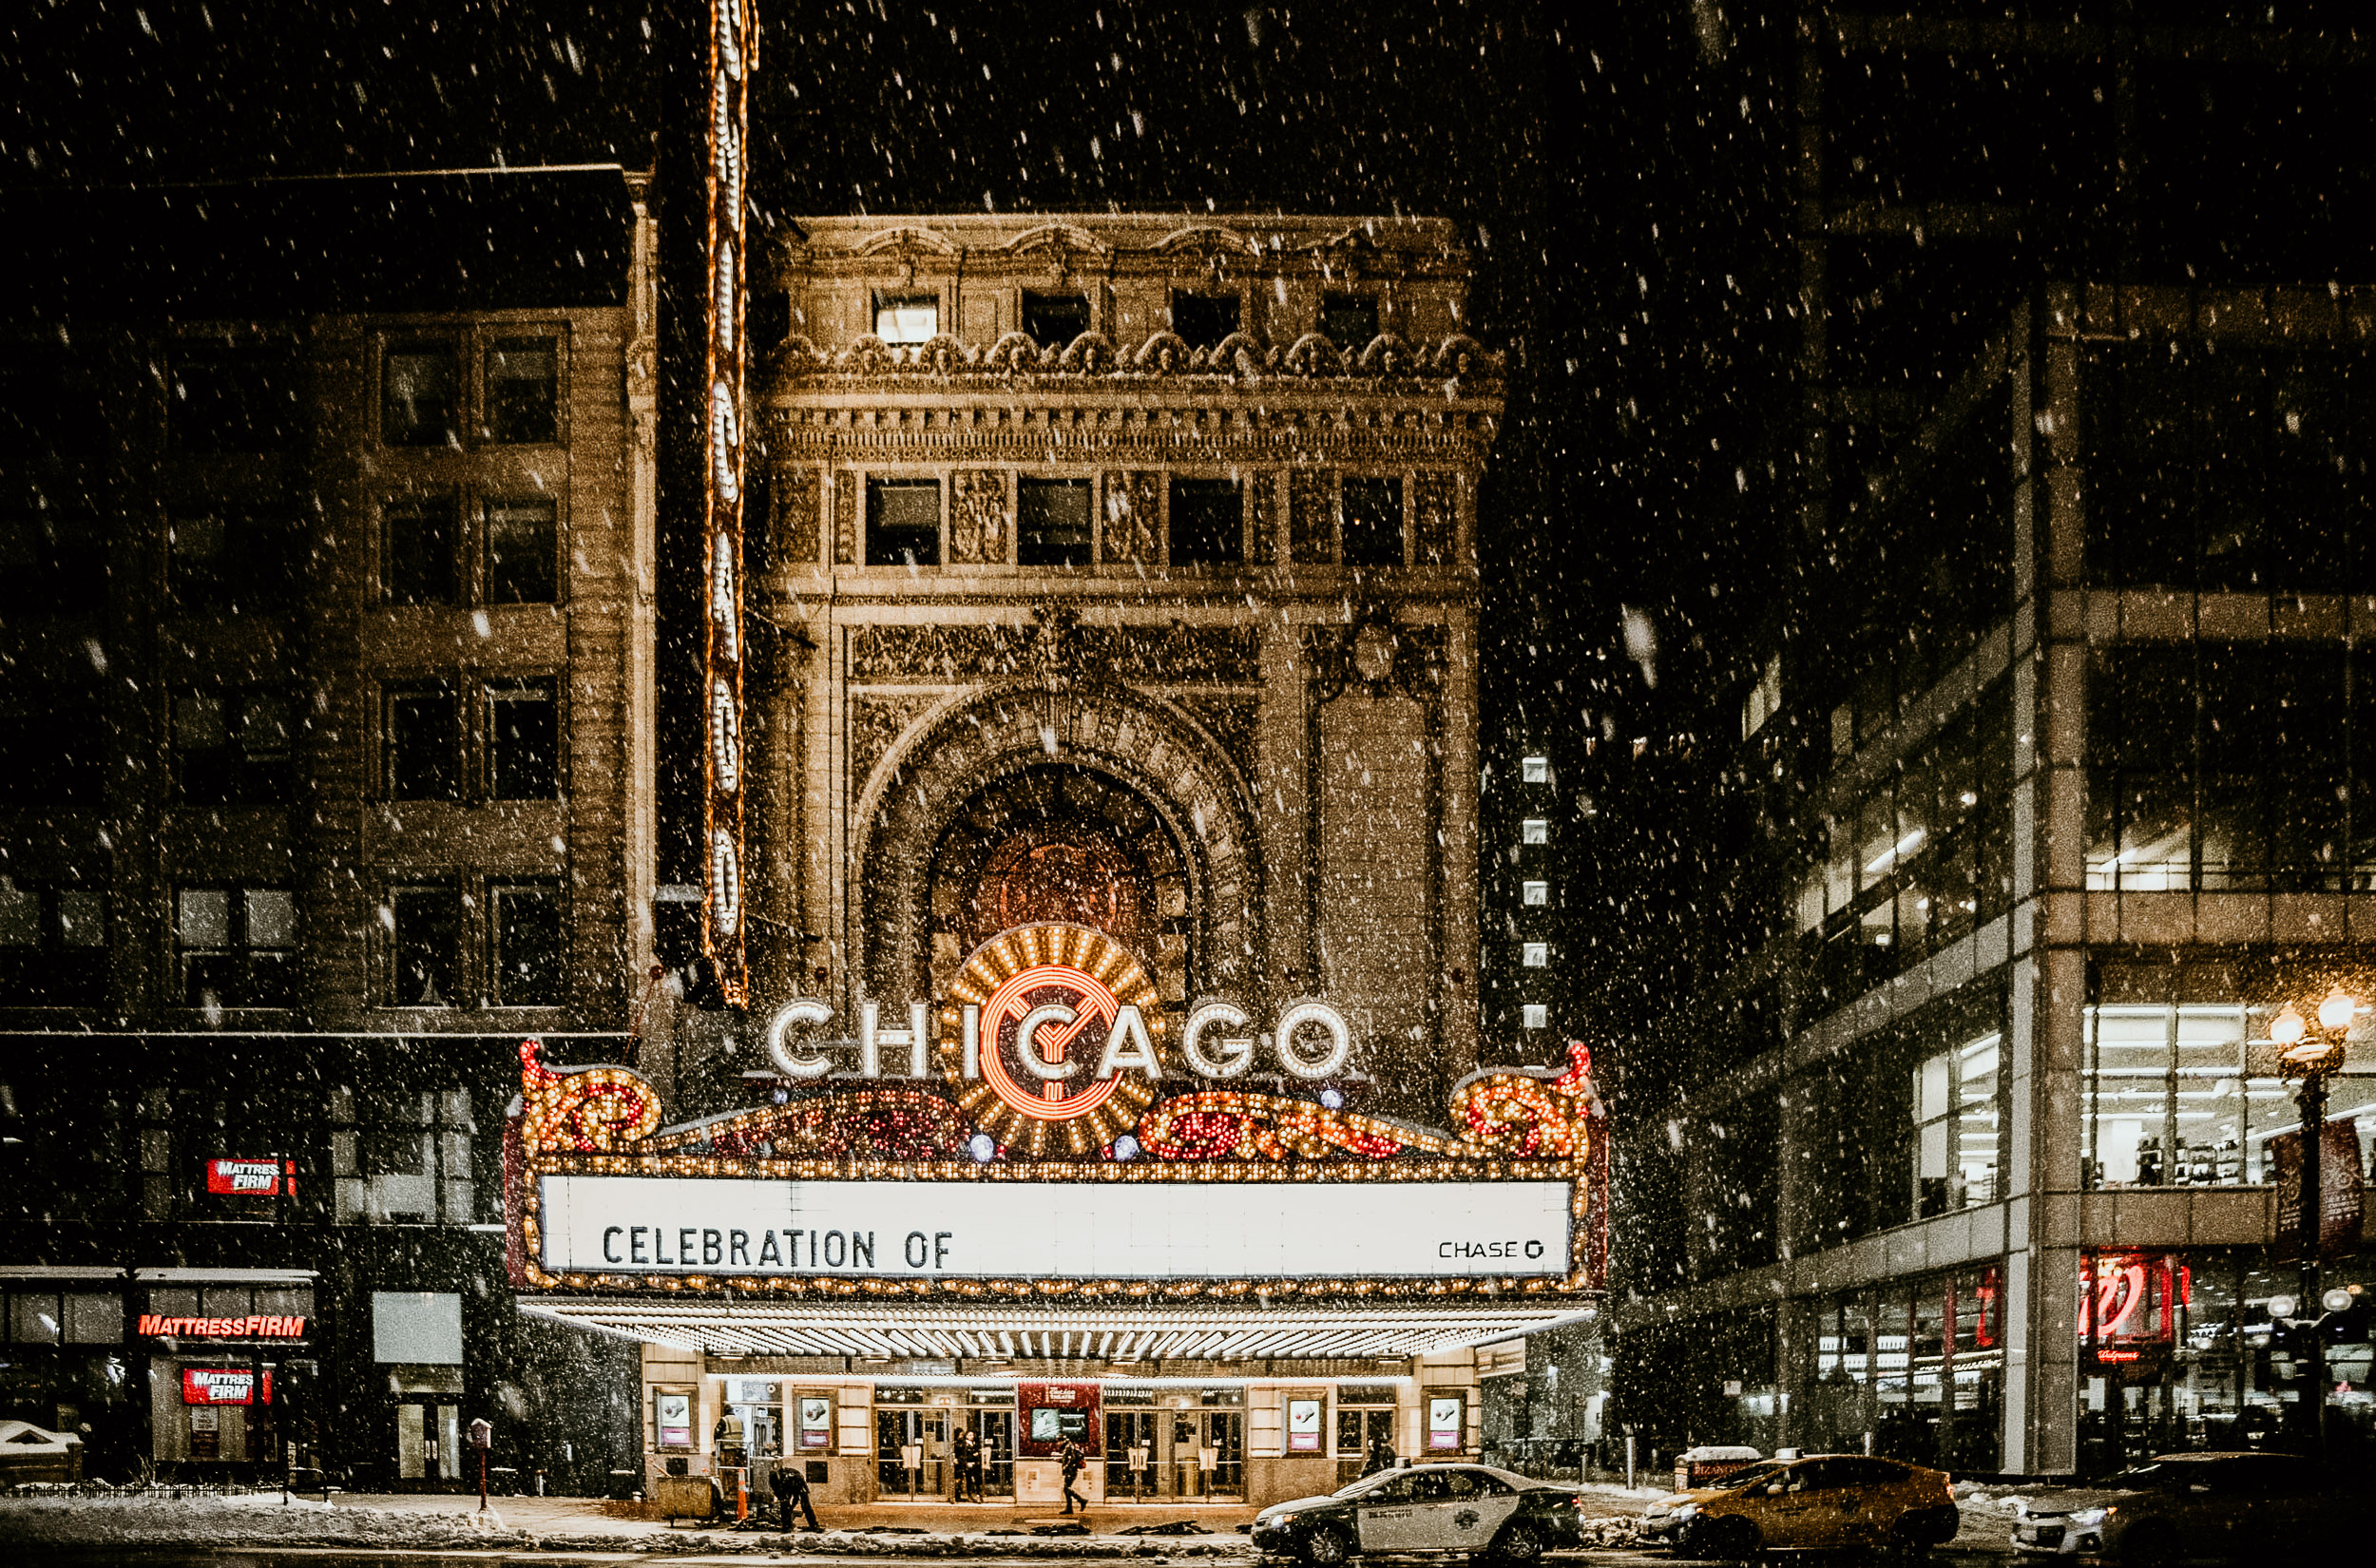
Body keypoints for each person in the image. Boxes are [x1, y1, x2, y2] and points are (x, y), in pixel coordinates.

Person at [771, 1458, 820, 1532]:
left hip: (798, 1485)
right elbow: (779, 1493)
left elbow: (796, 1497)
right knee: (785, 1504)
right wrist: (785, 1502)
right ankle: (787, 1526)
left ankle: (813, 1525)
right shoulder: (775, 1479)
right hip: (789, 1485)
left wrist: (792, 1507)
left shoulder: (793, 1478)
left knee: (805, 1506)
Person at [1059, 1436, 1088, 1515]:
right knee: (1066, 1489)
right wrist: (1059, 1461)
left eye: (1059, 1441)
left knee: (1067, 1488)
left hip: (1071, 1471)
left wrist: (1066, 1467)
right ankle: (1069, 1508)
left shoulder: (1068, 1447)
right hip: (1071, 1470)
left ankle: (1082, 1500)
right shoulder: (1070, 1446)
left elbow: (1071, 1459)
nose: (1058, 1444)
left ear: (1062, 1441)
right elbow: (1068, 1459)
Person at [953, 1425, 983, 1502]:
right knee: (969, 1481)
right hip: (967, 1465)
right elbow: (964, 1455)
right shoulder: (963, 1444)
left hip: (975, 1465)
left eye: (972, 1435)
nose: (972, 1437)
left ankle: (977, 1495)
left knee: (976, 1480)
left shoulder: (975, 1444)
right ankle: (970, 1495)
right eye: (970, 1435)